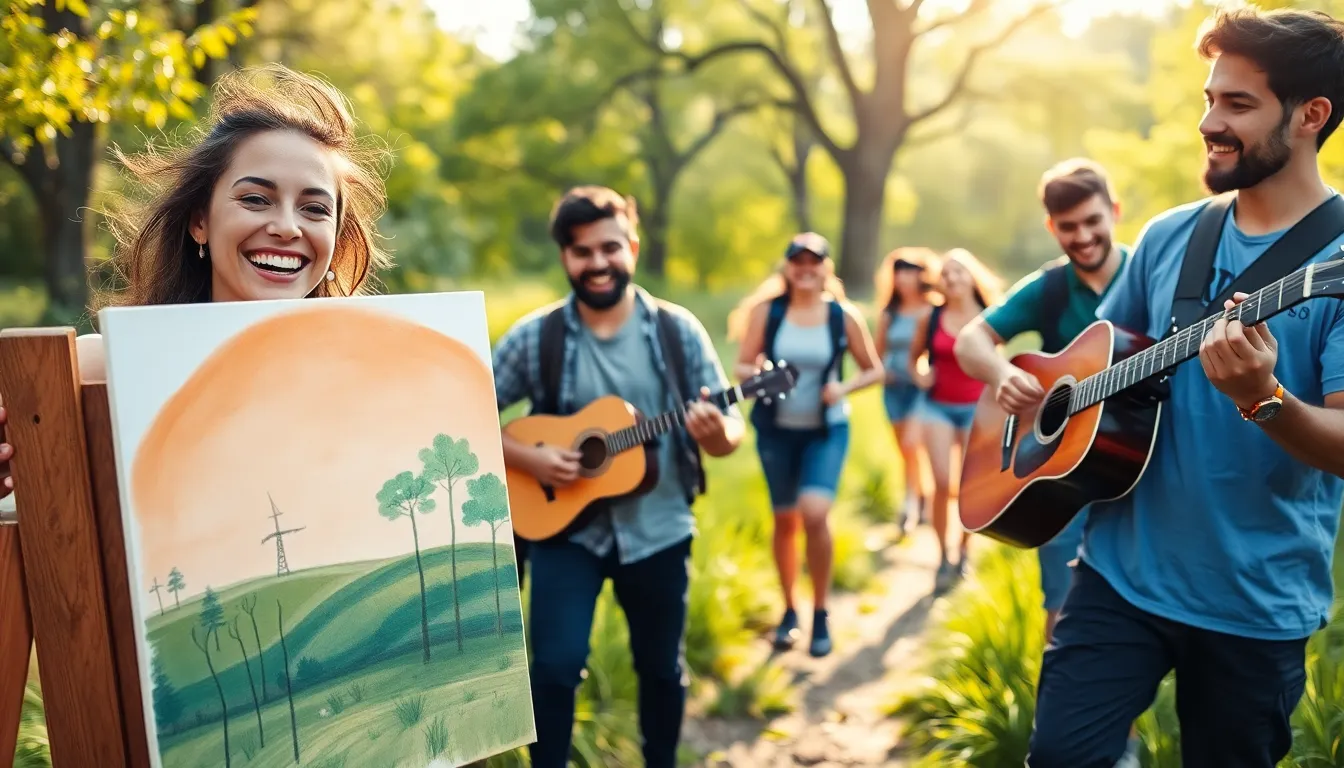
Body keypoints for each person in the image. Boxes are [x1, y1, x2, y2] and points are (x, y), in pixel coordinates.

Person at [1026, 8, 1344, 768]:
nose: (1209, 122)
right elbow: (1093, 363)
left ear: (1312, 115)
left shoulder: (1335, 262)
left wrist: (1263, 399)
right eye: (1209, 99)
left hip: (1253, 604)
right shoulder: (1171, 234)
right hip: (1117, 575)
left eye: (1237, 105)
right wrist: (1033, 395)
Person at [0, 63, 391, 502]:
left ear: (336, 238)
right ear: (199, 222)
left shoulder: (385, 376)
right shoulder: (93, 367)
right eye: (256, 199)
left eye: (315, 209)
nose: (286, 227)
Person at [491, 186, 744, 768]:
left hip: (657, 529)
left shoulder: (678, 332)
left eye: (609, 247)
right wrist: (529, 459)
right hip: (561, 532)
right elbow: (467, 411)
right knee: (552, 667)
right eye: (582, 252)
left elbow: (730, 432)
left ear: (631, 246)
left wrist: (713, 434)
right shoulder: (537, 336)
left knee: (660, 667)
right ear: (565, 259)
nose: (598, 263)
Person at [953, 158, 1131, 641]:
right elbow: (970, 340)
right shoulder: (1048, 288)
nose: (1084, 236)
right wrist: (1001, 372)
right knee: (1066, 610)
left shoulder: (1148, 275)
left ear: (1114, 210)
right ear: (1052, 227)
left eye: (1093, 221)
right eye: (1068, 227)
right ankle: (1061, 717)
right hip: (1062, 475)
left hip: (1139, 466)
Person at [727, 232, 884, 657]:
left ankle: (821, 611)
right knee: (785, 521)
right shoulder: (768, 312)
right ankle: (790, 610)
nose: (806, 268)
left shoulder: (843, 316)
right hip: (776, 430)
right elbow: (741, 364)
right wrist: (755, 371)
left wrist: (844, 387)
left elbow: (875, 370)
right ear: (788, 268)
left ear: (825, 269)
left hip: (825, 430)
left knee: (814, 513)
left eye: (814, 261)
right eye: (798, 261)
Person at [907, 247, 1001, 591]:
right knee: (943, 482)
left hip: (978, 409)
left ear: (971, 276)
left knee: (969, 485)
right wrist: (920, 376)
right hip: (938, 408)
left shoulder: (991, 316)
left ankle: (964, 550)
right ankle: (942, 555)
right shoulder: (930, 317)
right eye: (946, 273)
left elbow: (998, 363)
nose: (952, 278)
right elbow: (914, 359)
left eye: (958, 271)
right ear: (940, 282)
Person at [873, 246, 941, 535]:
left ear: (921, 275)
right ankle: (920, 494)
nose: (903, 278)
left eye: (909, 272)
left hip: (920, 388)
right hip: (893, 387)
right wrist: (880, 371)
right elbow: (876, 351)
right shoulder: (890, 313)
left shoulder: (933, 309)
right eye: (898, 272)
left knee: (914, 444)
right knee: (905, 449)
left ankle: (910, 503)